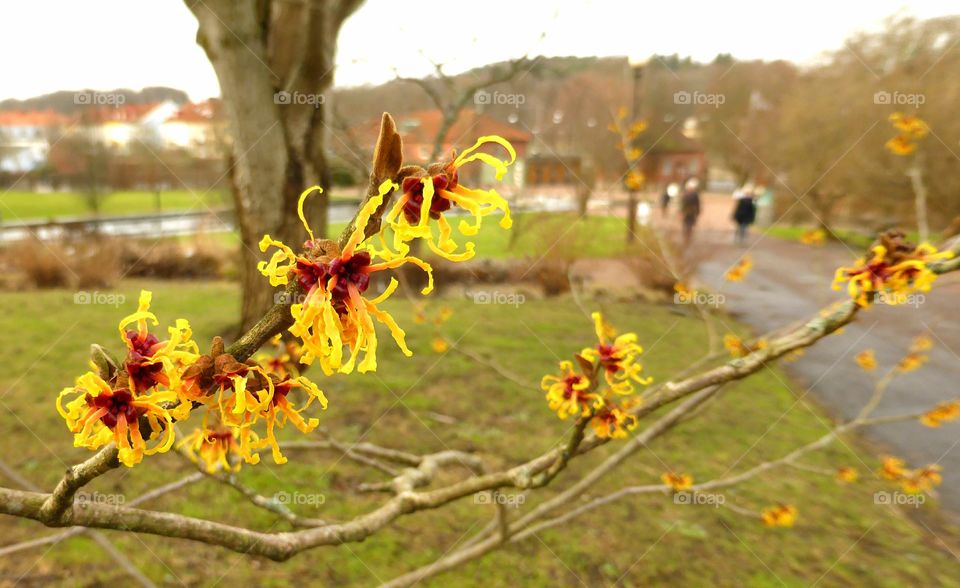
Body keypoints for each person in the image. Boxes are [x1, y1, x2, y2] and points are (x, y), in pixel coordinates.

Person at [679, 177, 701, 246]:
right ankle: (687, 238)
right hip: (688, 213)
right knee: (688, 226)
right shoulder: (692, 195)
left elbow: (697, 204)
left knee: (688, 226)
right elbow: (682, 204)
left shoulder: (687, 194)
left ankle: (687, 238)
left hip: (689, 213)